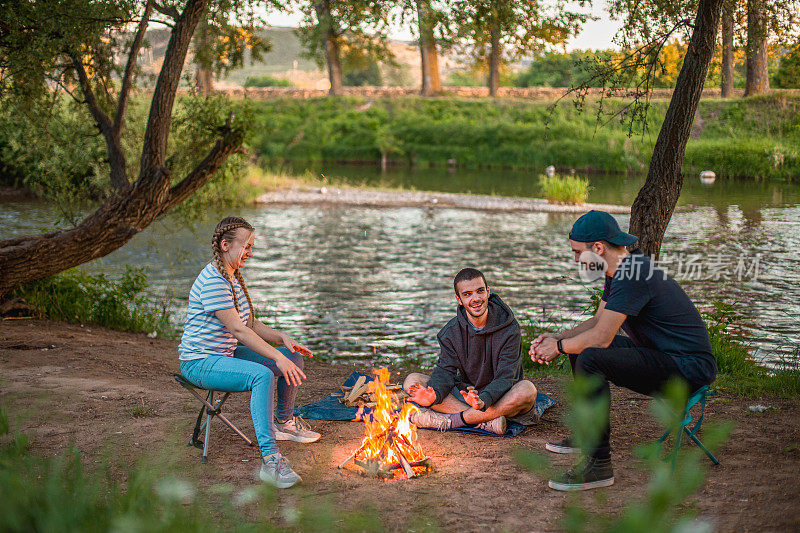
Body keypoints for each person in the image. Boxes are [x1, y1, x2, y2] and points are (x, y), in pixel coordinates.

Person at [530, 210, 717, 491]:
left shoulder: (634, 273)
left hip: (688, 368)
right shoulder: (620, 270)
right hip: (666, 357)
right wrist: (559, 337)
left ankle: (599, 464)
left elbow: (603, 338)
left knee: (591, 355)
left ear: (598, 248)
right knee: (581, 350)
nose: (576, 260)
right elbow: (597, 322)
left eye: (578, 252)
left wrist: (556, 347)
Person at [178, 216, 320, 489]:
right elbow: (239, 331)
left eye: (252, 246)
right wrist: (275, 356)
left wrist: (282, 340)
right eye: (247, 246)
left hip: (224, 355)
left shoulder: (231, 277)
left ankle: (284, 424)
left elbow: (250, 323)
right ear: (225, 245)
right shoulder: (214, 281)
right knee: (262, 375)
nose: (251, 252)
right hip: (200, 362)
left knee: (292, 358)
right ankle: (271, 461)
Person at [404, 268, 538, 435]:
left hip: (501, 396)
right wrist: (434, 395)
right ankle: (485, 422)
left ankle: (453, 421)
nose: (475, 299)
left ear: (488, 292)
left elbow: (506, 377)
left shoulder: (509, 328)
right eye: (467, 294)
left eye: (480, 291)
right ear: (459, 299)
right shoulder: (451, 332)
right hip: (468, 395)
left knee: (527, 390)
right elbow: (445, 370)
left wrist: (483, 400)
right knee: (412, 381)